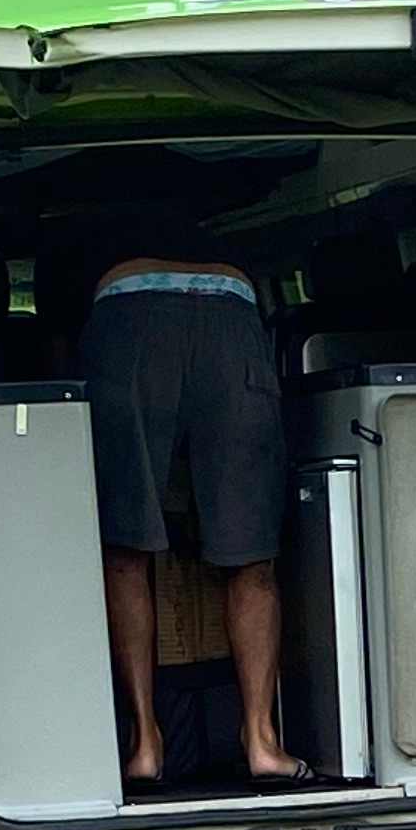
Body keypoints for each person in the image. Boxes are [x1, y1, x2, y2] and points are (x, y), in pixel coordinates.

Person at [84, 240, 307, 790]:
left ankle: (144, 744)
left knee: (125, 549)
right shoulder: (233, 212)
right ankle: (261, 740)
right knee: (253, 555)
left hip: (126, 307)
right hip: (230, 309)